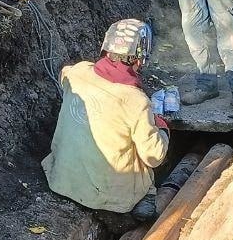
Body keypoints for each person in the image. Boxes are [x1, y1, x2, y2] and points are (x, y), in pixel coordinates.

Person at [42, 19, 169, 220]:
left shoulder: (76, 72)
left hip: (61, 181)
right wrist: (162, 128)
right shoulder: (136, 101)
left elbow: (64, 74)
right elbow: (153, 157)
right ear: (140, 58)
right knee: (144, 159)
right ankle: (143, 201)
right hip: (110, 197)